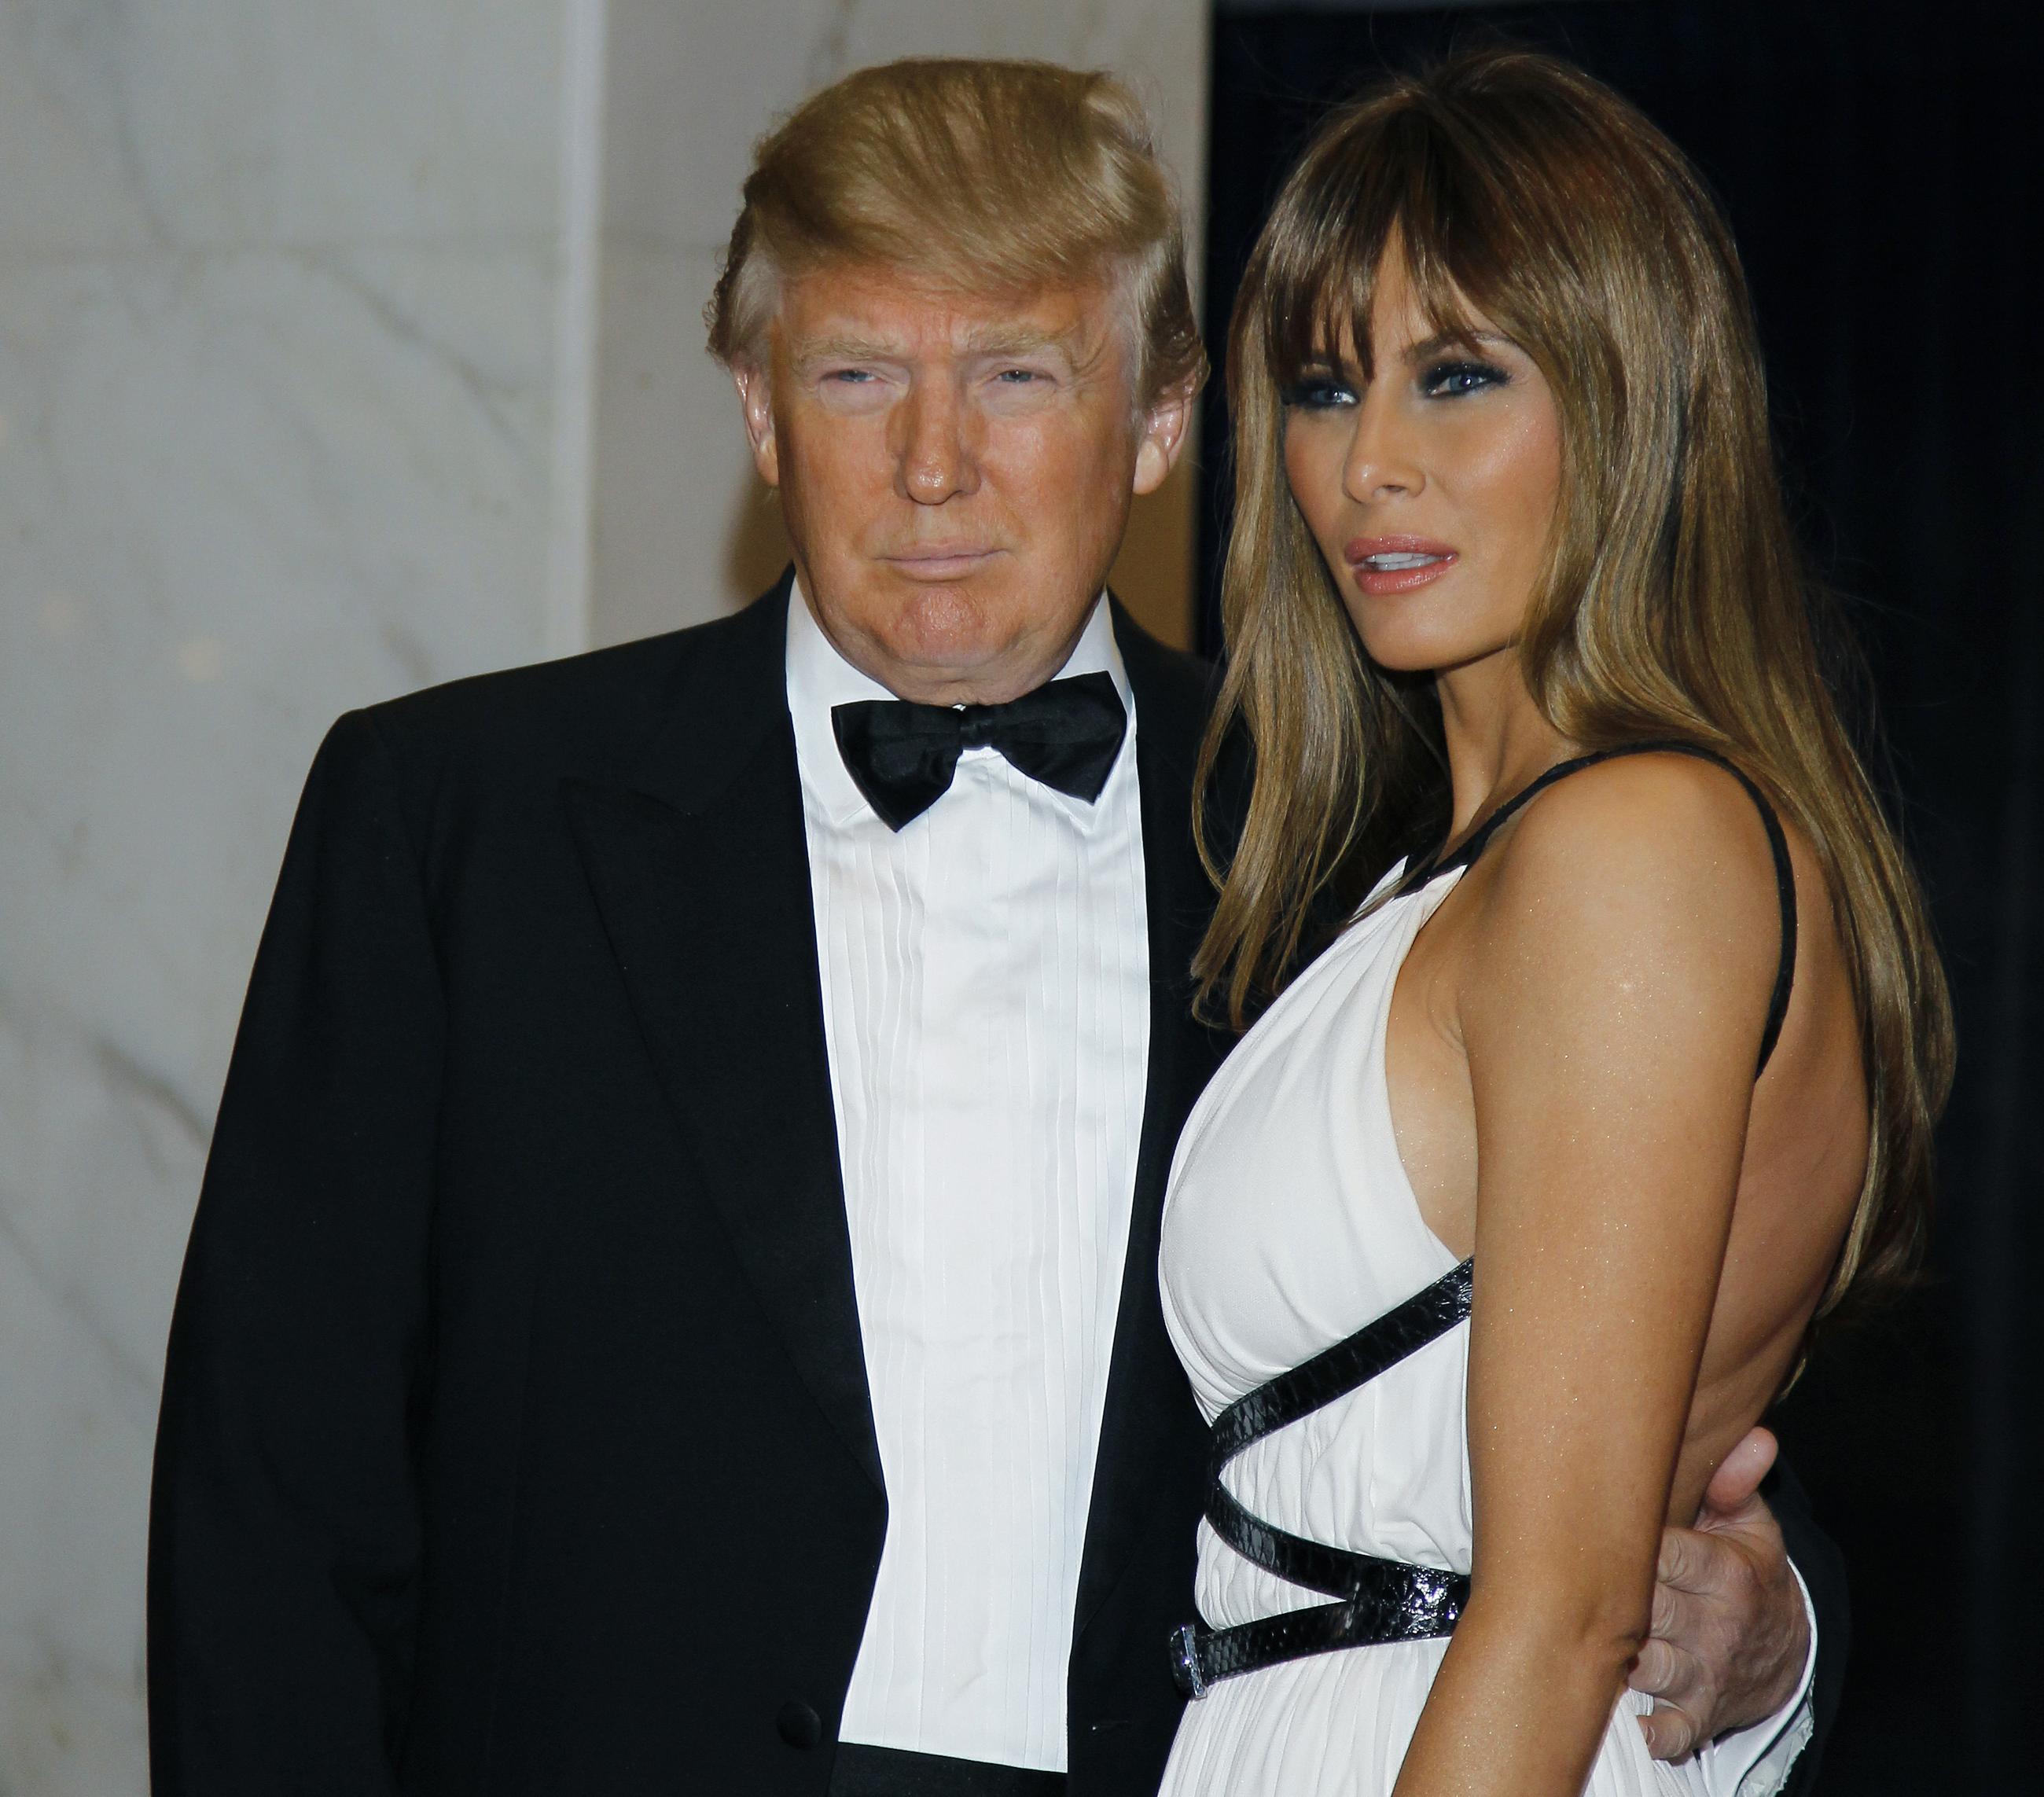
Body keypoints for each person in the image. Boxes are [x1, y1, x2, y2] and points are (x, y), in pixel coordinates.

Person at [148, 57, 1839, 1797]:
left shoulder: (1363, 847)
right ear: (756, 406)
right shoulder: (457, 821)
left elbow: (1622, 1355)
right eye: (857, 373)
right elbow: (274, 1502)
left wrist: (1775, 1615)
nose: (932, 465)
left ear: (1165, 416)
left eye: (1016, 374)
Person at [1156, 47, 1951, 1797]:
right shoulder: (1457, 873)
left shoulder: (1633, 843)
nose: (1370, 464)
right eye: (1317, 387)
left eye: (1456, 378)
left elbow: (1565, 1613)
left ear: (1629, 401)